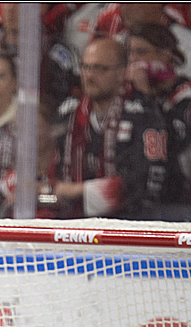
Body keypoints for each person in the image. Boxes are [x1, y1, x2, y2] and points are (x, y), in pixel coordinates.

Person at [54, 37, 170, 219]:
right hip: (75, 224)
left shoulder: (145, 115)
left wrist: (78, 191)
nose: (90, 76)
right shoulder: (69, 114)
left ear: (122, 73)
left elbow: (145, 182)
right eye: (86, 67)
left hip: (133, 225)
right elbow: (51, 169)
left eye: (100, 68)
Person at [125, 23, 191, 203]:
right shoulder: (131, 93)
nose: (133, 59)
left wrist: (144, 95)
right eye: (130, 53)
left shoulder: (190, 95)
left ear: (165, 55)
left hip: (181, 195)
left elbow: (169, 143)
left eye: (141, 52)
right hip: (139, 189)